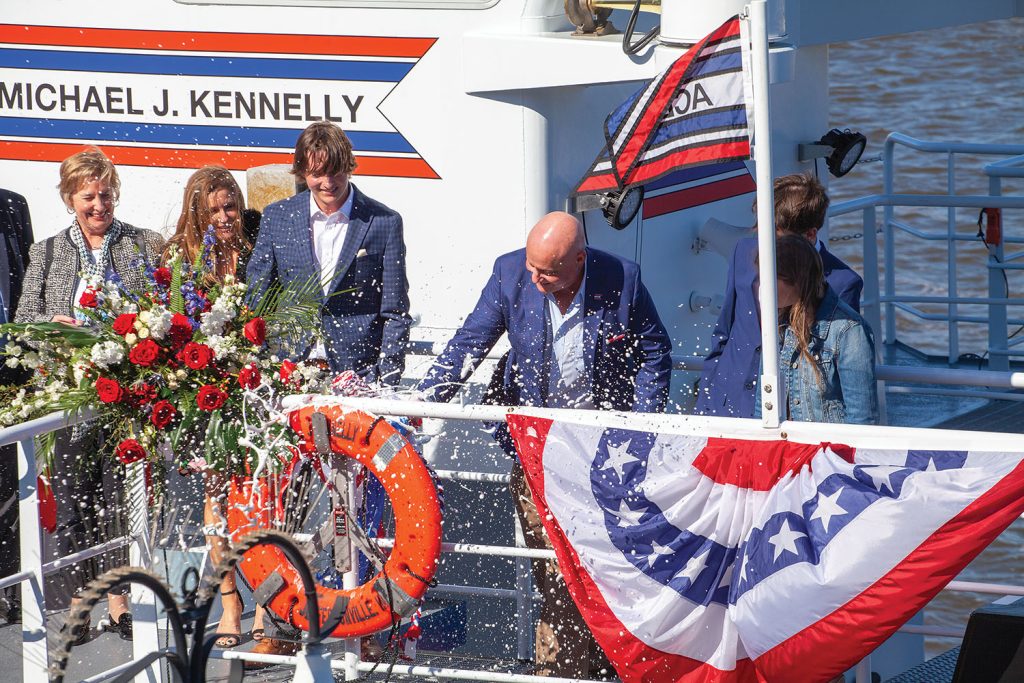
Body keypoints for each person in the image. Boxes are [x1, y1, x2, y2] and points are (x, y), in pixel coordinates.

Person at [418, 211, 672, 679]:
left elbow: (654, 351)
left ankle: (609, 666)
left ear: (580, 259)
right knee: (552, 574)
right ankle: (564, 672)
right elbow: (470, 342)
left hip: (604, 458)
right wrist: (426, 400)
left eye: (549, 272)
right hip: (536, 451)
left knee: (603, 569)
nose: (537, 280)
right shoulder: (511, 272)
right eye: (534, 268)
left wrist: (638, 429)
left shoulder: (622, 279)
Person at [15, 148, 164, 642]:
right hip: (69, 399)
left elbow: (164, 313)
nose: (99, 205)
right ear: (68, 199)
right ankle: (81, 600)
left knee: (120, 499)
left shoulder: (144, 244)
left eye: (106, 194)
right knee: (78, 501)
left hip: (124, 398)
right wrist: (49, 329)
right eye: (88, 196)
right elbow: (22, 323)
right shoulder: (47, 252)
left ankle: (119, 602)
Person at [164, 165, 264, 650]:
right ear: (196, 214)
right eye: (215, 210)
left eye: (230, 207)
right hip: (207, 393)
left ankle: (267, 602)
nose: (225, 217)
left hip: (256, 387)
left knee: (263, 497)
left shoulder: (257, 245)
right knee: (216, 501)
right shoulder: (178, 257)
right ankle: (230, 602)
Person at [246, 119, 411, 385]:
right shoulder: (277, 216)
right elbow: (258, 297)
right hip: (288, 370)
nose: (328, 183)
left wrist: (387, 382)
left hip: (358, 375)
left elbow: (395, 312)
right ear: (302, 172)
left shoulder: (384, 222)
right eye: (317, 173)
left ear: (349, 167)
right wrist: (260, 365)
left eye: (336, 172)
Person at [695, 172, 865, 418]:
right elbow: (725, 332)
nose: (763, 242)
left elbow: (838, 371)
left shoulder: (842, 283)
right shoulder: (743, 252)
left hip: (788, 416)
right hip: (726, 403)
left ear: (810, 235)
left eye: (774, 234)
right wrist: (706, 403)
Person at [756, 235, 878, 424]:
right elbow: (763, 405)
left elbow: (862, 420)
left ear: (797, 280)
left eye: (771, 278)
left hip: (827, 451)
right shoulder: (777, 322)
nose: (763, 286)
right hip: (786, 448)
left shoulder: (850, 331)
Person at [0, 188, 34, 624]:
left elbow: (24, 286)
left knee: (9, 486)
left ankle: (9, 587)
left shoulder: (11, 205)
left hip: (9, 373)